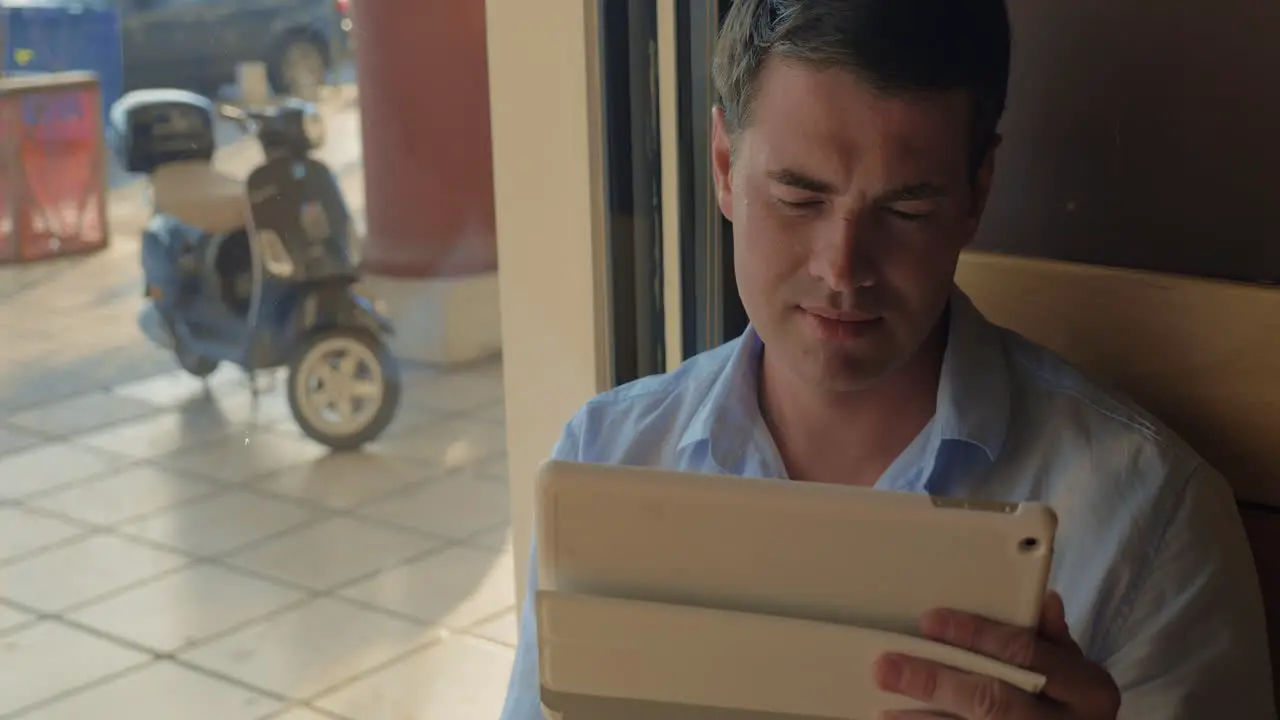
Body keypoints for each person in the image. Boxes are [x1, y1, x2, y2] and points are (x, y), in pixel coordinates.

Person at [500, 0, 1275, 717]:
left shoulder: (1148, 522)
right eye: (800, 198)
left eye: (906, 209)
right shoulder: (608, 457)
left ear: (978, 192)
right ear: (726, 167)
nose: (842, 269)